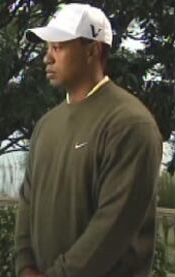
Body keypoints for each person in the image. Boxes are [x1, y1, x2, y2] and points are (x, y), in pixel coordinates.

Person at [14, 3, 162, 277]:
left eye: (58, 47)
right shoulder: (46, 125)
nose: (47, 57)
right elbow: (27, 203)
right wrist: (25, 267)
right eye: (47, 48)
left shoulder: (129, 123)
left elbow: (112, 228)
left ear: (92, 50)